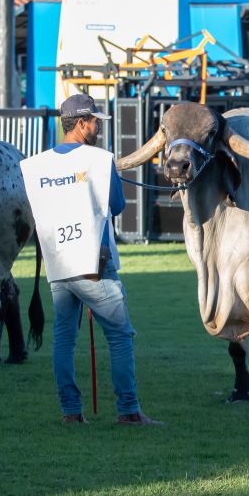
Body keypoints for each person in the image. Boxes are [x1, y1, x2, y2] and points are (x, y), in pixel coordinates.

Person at [20, 94, 161, 427]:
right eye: (96, 121)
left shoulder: (35, 165)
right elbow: (117, 206)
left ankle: (71, 412)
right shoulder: (99, 160)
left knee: (64, 340)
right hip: (94, 264)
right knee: (120, 336)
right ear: (82, 124)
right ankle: (128, 410)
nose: (99, 127)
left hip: (58, 264)